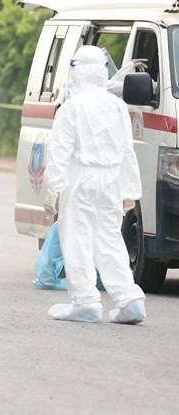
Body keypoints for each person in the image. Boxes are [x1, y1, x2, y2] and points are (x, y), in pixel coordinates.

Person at [43, 45, 146, 324]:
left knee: (77, 240)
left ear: (77, 72)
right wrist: (130, 192)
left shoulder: (72, 107)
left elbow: (60, 152)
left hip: (81, 179)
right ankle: (130, 299)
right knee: (110, 239)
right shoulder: (118, 106)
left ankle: (85, 302)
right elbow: (127, 150)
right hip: (111, 180)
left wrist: (53, 190)